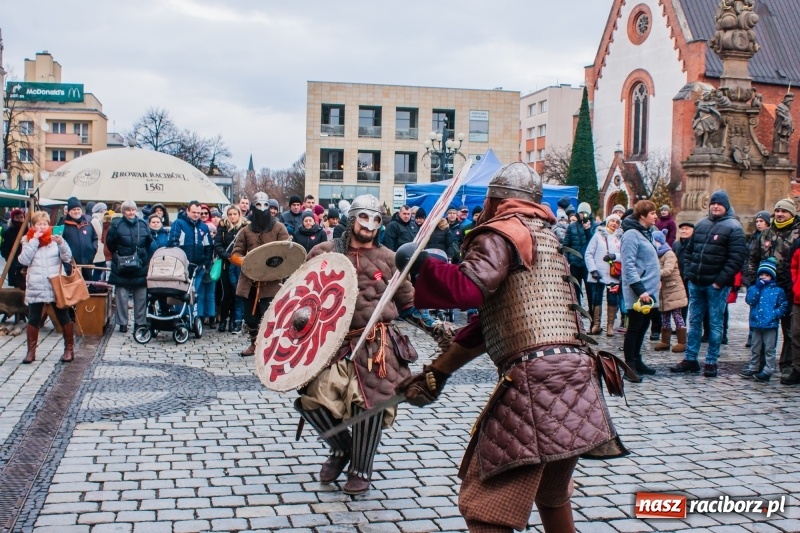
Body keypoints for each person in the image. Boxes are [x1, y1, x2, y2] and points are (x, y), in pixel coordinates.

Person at [395, 163, 626, 532]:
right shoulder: (546, 237)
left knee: (487, 504)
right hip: (578, 379)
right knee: (552, 493)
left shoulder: (500, 233)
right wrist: (437, 373)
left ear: (495, 200)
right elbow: (487, 326)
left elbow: (467, 288)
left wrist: (423, 266)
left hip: (537, 384)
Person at [295, 194, 419, 495]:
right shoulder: (324, 252)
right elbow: (299, 294)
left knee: (370, 405)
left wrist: (433, 324)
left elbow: (407, 303)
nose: (370, 224)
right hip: (333, 341)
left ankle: (361, 467)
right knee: (312, 399)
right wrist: (300, 315)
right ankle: (342, 448)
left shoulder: (391, 258)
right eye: (364, 217)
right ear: (352, 218)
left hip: (377, 344)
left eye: (376, 219)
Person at [671, 190, 746, 377]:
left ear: (726, 206)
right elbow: (688, 251)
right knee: (694, 322)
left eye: (719, 203)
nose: (715, 206)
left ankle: (711, 362)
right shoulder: (702, 224)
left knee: (715, 324)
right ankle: (691, 359)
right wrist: (688, 273)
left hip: (716, 286)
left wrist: (720, 282)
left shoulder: (734, 227)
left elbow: (736, 259)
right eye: (713, 203)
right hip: (696, 283)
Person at [230, 192, 290, 356]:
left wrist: (276, 261)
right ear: (252, 208)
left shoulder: (279, 228)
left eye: (265, 206)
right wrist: (249, 262)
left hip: (272, 280)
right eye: (259, 205)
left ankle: (270, 345)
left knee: (270, 314)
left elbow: (286, 250)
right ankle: (254, 343)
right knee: (251, 316)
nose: (262, 209)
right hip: (251, 280)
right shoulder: (245, 231)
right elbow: (235, 255)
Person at [745, 199, 799, 378]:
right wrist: (754, 281)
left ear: (792, 213)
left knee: (791, 330)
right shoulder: (766, 233)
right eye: (777, 210)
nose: (780, 214)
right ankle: (759, 365)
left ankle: (789, 365)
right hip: (766, 289)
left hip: (789, 288)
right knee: (762, 326)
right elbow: (753, 257)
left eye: (784, 211)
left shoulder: (797, 233)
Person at [19, 211, 75, 364]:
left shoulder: (55, 240)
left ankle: (69, 349)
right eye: (39, 224)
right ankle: (31, 352)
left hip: (55, 284)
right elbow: (23, 260)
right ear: (34, 225)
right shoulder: (28, 240)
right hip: (36, 284)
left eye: (45, 224)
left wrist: (61, 243)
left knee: (63, 316)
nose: (42, 227)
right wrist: (34, 242)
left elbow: (67, 257)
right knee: (34, 318)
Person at [620, 200, 660, 378]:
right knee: (634, 329)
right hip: (639, 292)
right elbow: (628, 266)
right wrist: (640, 290)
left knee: (643, 327)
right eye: (652, 213)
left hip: (650, 290)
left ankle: (637, 359)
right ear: (642, 215)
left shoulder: (647, 233)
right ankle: (629, 366)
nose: (656, 216)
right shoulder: (631, 235)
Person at [106, 201, 154, 334]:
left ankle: (140, 323)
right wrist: (118, 256)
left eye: (133, 210)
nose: (131, 212)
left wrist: (143, 256)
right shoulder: (116, 225)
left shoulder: (143, 224)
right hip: (122, 265)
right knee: (122, 297)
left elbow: (148, 242)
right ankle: (122, 323)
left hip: (140, 265)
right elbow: (110, 243)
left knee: (141, 297)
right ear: (123, 211)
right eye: (128, 210)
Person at [740, 258, 787, 381]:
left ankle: (768, 369)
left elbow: (783, 305)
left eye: (767, 275)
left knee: (769, 348)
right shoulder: (754, 288)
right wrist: (757, 288)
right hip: (756, 324)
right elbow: (750, 300)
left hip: (770, 324)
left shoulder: (778, 291)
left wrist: (775, 314)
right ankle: (753, 366)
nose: (763, 277)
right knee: (755, 347)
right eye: (761, 274)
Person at [168, 200, 213, 316]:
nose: (197, 215)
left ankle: (191, 318)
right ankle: (179, 318)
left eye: (198, 213)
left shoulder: (203, 227)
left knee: (193, 293)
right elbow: (173, 243)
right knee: (180, 293)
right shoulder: (179, 223)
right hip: (182, 267)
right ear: (187, 210)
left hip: (198, 267)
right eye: (194, 212)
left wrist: (206, 263)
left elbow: (208, 247)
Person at [585, 213, 622, 336]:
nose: (614, 224)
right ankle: (596, 325)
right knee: (596, 299)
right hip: (598, 275)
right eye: (612, 221)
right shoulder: (598, 236)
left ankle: (610, 327)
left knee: (612, 300)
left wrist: (615, 256)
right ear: (607, 221)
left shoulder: (620, 238)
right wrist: (593, 269)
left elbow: (625, 255)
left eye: (617, 222)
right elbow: (589, 253)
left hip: (613, 276)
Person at [652, 229, 688, 352]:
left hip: (674, 290)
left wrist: (653, 274)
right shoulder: (657, 254)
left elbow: (668, 270)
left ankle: (682, 342)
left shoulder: (669, 254)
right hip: (664, 291)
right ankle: (665, 341)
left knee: (677, 315)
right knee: (665, 316)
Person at [214, 205, 248, 333]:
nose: (233, 217)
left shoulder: (245, 227)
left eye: (235, 214)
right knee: (226, 294)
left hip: (240, 264)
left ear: (239, 215)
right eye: (230, 214)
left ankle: (235, 321)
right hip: (226, 264)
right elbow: (217, 245)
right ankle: (223, 320)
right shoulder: (223, 227)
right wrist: (228, 256)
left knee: (237, 293)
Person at [563, 202, 596, 307]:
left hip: (588, 264)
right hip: (575, 262)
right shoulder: (572, 227)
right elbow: (566, 245)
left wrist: (587, 230)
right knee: (575, 290)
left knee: (590, 290)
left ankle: (591, 311)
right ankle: (577, 310)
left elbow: (594, 243)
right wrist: (567, 260)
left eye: (585, 213)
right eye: (581, 213)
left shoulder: (594, 225)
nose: (583, 215)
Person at [62, 196, 98, 280]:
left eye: (78, 209)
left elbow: (95, 238)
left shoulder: (88, 224)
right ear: (69, 211)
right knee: (73, 287)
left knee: (88, 287)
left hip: (87, 262)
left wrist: (93, 250)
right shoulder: (64, 225)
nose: (76, 211)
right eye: (74, 210)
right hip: (71, 264)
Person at [673, 221, 695, 323]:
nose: (683, 231)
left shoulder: (694, 244)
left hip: (690, 276)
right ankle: (681, 325)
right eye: (682, 229)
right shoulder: (676, 244)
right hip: (679, 276)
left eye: (686, 229)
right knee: (680, 303)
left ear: (692, 231)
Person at [196, 222, 217, 326]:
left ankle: (211, 316)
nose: (212, 234)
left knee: (210, 295)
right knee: (201, 295)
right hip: (202, 270)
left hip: (212, 272)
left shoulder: (215, 244)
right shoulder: (202, 243)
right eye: (210, 232)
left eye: (214, 232)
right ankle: (200, 316)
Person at [1, 208, 26, 288]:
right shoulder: (8, 233)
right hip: (14, 265)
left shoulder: (28, 231)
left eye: (21, 217)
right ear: (13, 219)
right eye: (17, 217)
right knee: (17, 286)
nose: (19, 220)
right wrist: (10, 260)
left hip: (26, 265)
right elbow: (4, 250)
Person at [88, 203, 108, 281]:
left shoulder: (99, 219)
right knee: (98, 270)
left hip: (101, 248)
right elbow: (100, 234)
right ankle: (94, 286)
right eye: (105, 209)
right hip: (99, 248)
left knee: (99, 270)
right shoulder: (95, 220)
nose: (106, 211)